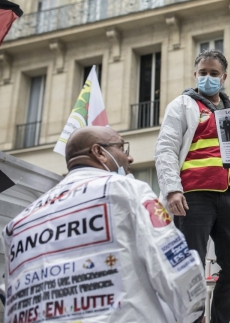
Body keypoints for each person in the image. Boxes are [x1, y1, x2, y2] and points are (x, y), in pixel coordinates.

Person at [2, 127, 206, 323]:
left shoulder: (18, 224)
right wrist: (194, 312)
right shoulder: (128, 190)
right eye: (122, 147)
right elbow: (176, 268)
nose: (130, 157)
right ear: (99, 152)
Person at [155, 49, 230, 323]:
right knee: (190, 267)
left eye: (214, 73)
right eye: (203, 73)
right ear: (195, 75)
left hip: (229, 196)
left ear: (224, 77)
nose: (208, 78)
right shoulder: (181, 105)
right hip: (192, 196)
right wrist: (172, 190)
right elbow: (166, 149)